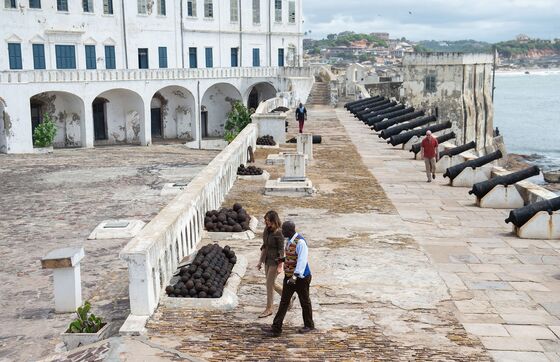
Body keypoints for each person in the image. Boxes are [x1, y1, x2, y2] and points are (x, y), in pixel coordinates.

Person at [261, 221, 314, 337]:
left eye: (284, 230)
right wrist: (283, 260)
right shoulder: (289, 241)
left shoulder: (300, 242)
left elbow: (302, 262)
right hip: (290, 276)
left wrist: (294, 277)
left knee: (305, 301)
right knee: (284, 302)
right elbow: (292, 256)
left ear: (290, 230)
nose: (282, 232)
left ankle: (309, 325)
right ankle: (276, 328)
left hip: (301, 278)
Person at [256, 210, 284, 318]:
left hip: (275, 262)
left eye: (268, 220)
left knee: (268, 284)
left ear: (273, 220)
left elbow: (281, 250)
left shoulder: (279, 233)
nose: (266, 222)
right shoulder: (266, 231)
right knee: (271, 283)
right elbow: (265, 246)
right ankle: (288, 298)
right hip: (267, 261)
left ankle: (269, 309)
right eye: (265, 220)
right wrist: (260, 261)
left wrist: (281, 266)